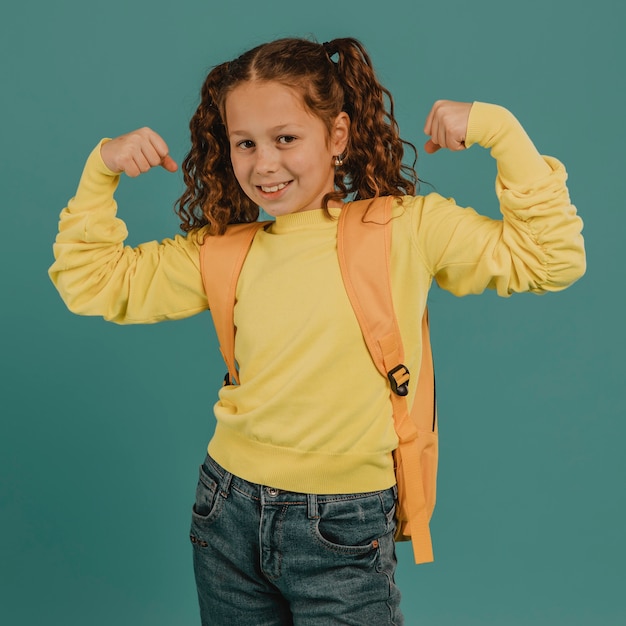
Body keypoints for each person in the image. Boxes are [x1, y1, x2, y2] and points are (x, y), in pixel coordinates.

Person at [49, 37, 585, 626]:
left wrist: (501, 131)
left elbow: (549, 259)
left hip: (346, 522)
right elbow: (92, 281)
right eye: (244, 144)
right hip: (226, 512)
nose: (264, 163)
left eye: (285, 138)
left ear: (337, 136)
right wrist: (100, 172)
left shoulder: (405, 228)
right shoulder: (223, 251)